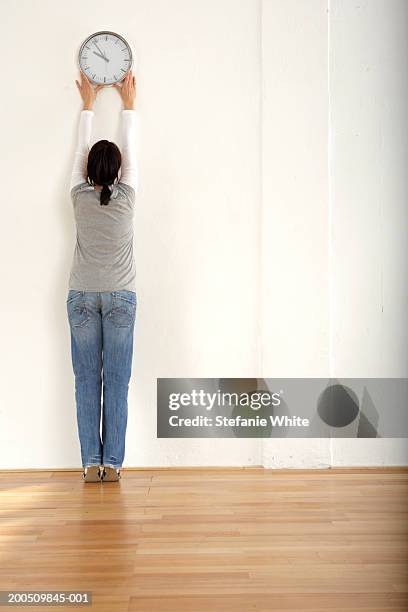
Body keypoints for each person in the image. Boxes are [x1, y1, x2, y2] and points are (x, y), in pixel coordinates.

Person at [67, 69, 139, 483]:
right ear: (119, 171)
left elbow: (81, 152)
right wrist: (128, 106)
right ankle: (111, 465)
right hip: (121, 298)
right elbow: (132, 153)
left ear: (90, 171)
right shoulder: (128, 198)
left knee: (85, 382)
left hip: (80, 295)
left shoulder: (78, 197)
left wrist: (88, 104)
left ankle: (89, 462)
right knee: (117, 381)